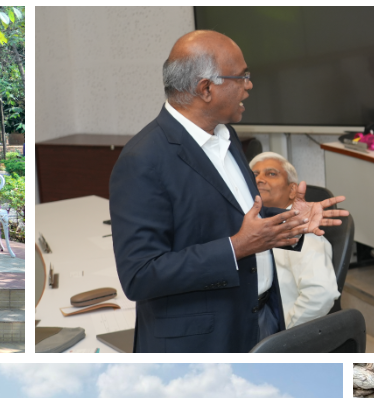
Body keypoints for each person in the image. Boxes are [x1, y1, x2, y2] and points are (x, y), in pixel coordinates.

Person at [108, 30, 345, 351]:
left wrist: (290, 219)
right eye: (241, 77)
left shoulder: (227, 136)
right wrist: (235, 248)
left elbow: (231, 215)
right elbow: (140, 275)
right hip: (202, 342)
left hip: (261, 320)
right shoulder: (144, 159)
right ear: (206, 88)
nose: (249, 85)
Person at [250, 152, 338, 329]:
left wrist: (283, 336)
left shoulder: (302, 230)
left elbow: (321, 293)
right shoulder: (251, 226)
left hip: (275, 332)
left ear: (292, 190)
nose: (259, 179)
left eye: (271, 173)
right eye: (254, 174)